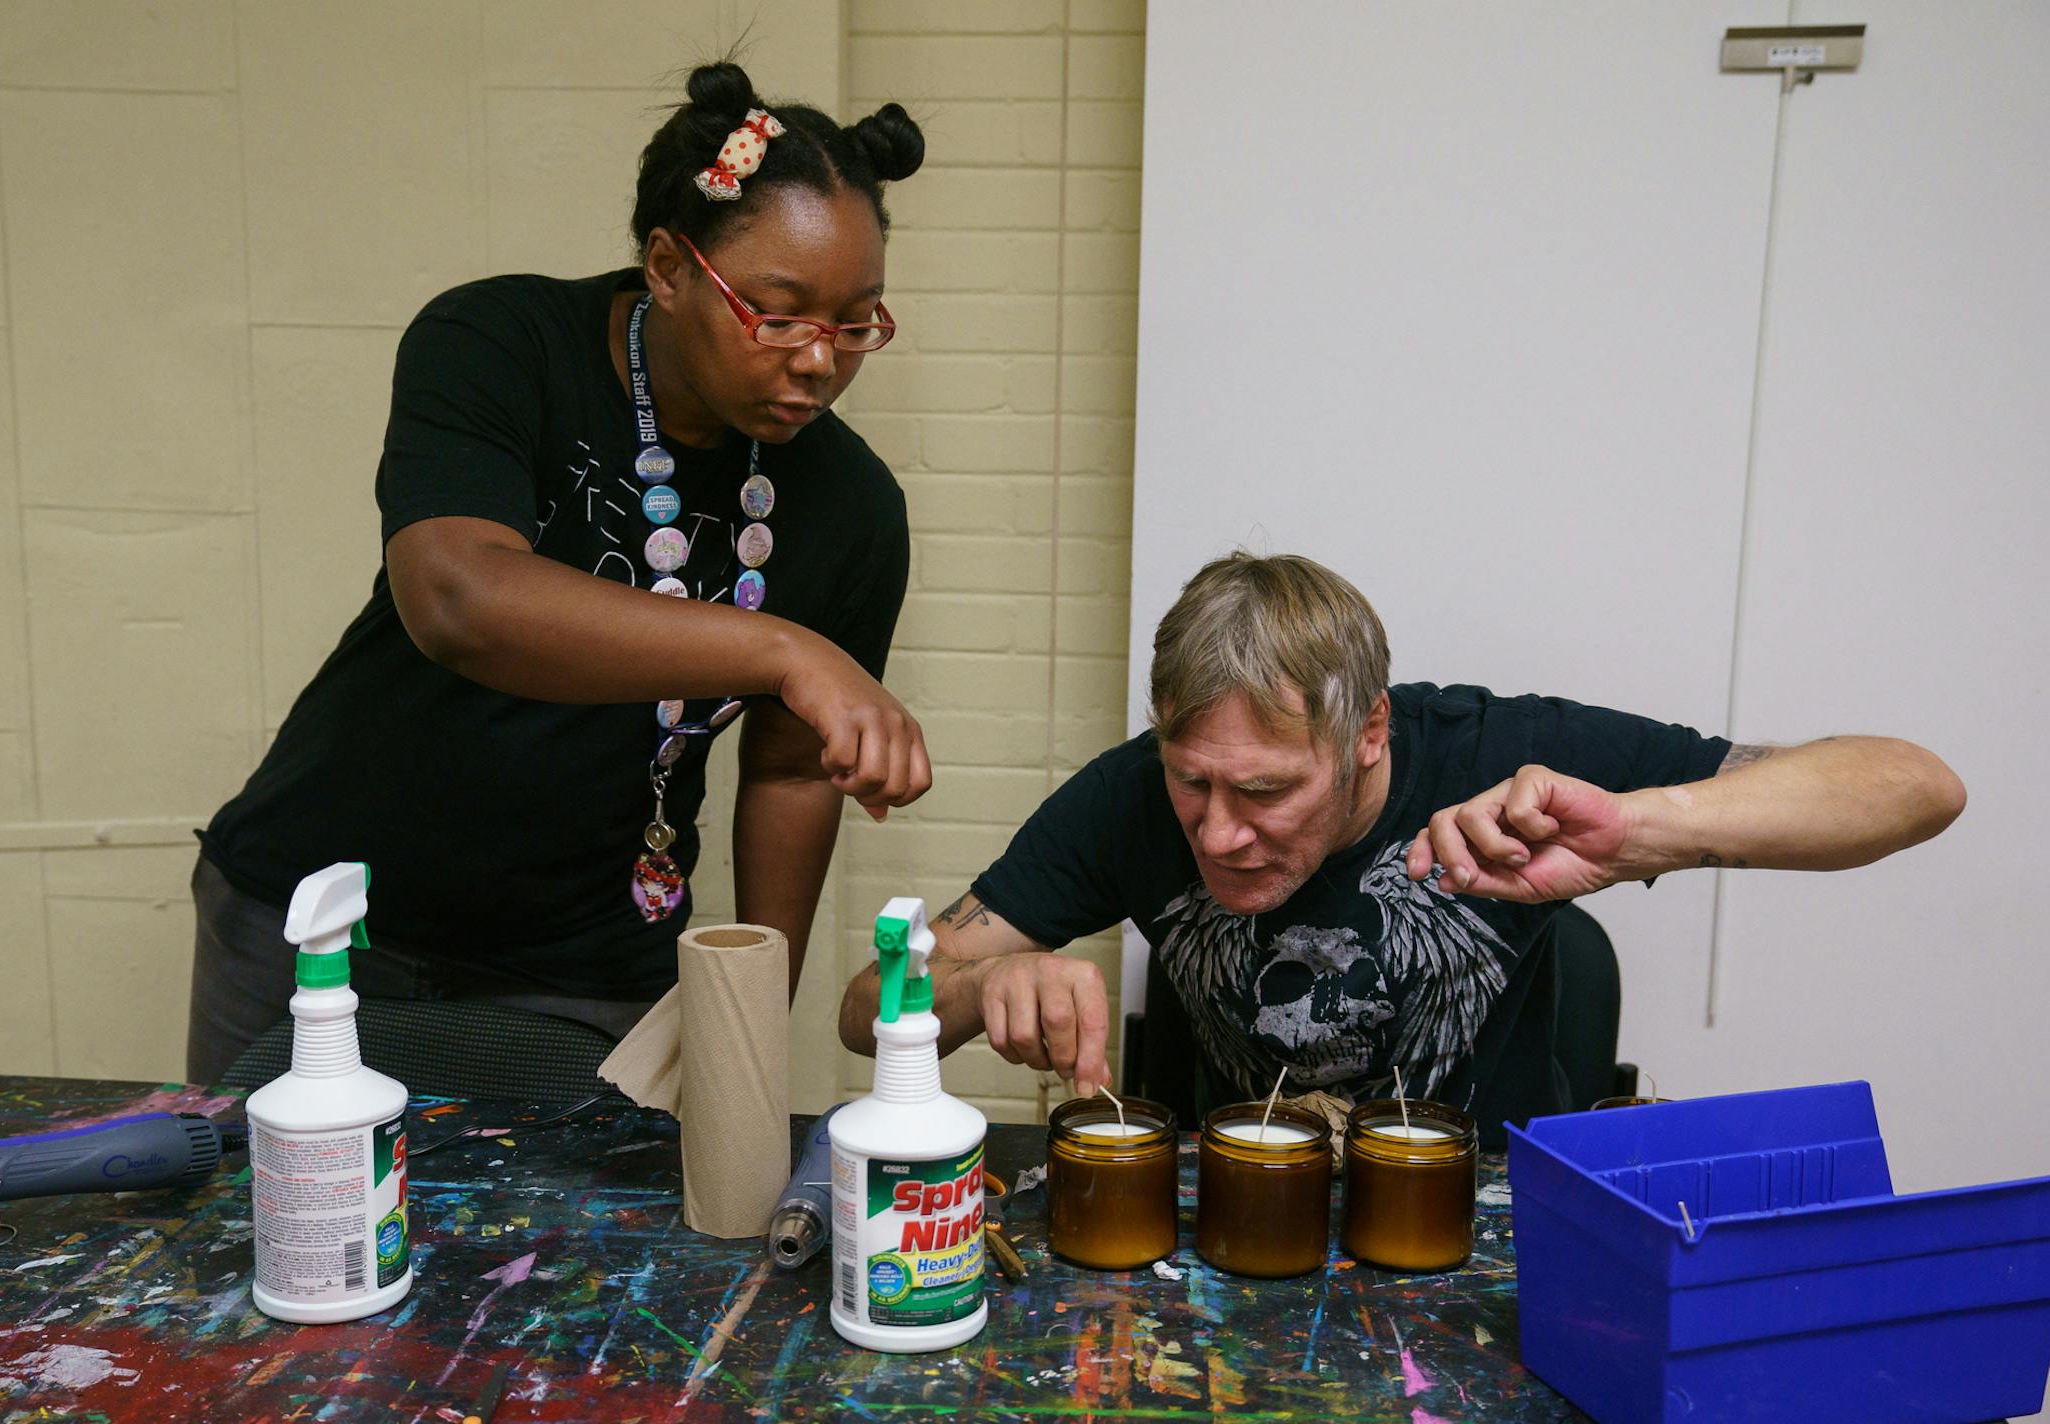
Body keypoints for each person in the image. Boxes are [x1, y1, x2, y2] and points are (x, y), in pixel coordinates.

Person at [189, 62, 932, 1083]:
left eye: (856, 324)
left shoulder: (851, 507)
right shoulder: (502, 345)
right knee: (268, 1223)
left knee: (583, 1247)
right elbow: (459, 598)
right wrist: (782, 648)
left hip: (584, 966)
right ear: (669, 267)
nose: (819, 360)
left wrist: (748, 1020)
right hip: (320, 916)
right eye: (778, 312)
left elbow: (792, 770)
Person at [838, 552, 1967, 1136]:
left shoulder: (1498, 750)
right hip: (1242, 1215)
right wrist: (985, 985)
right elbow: (861, 1009)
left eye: (1270, 791)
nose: (1222, 834)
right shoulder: (1129, 799)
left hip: (1484, 1226)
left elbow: (1916, 786)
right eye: (1195, 783)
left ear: (1370, 730)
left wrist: (1633, 831)